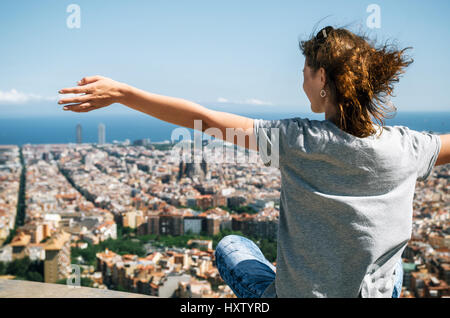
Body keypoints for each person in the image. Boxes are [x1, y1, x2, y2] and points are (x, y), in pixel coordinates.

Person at [58, 25, 450, 298]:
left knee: (231, 244)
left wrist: (124, 92)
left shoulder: (297, 140)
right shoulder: (409, 148)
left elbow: (206, 120)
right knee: (391, 267)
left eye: (305, 73)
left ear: (323, 79)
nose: (302, 82)